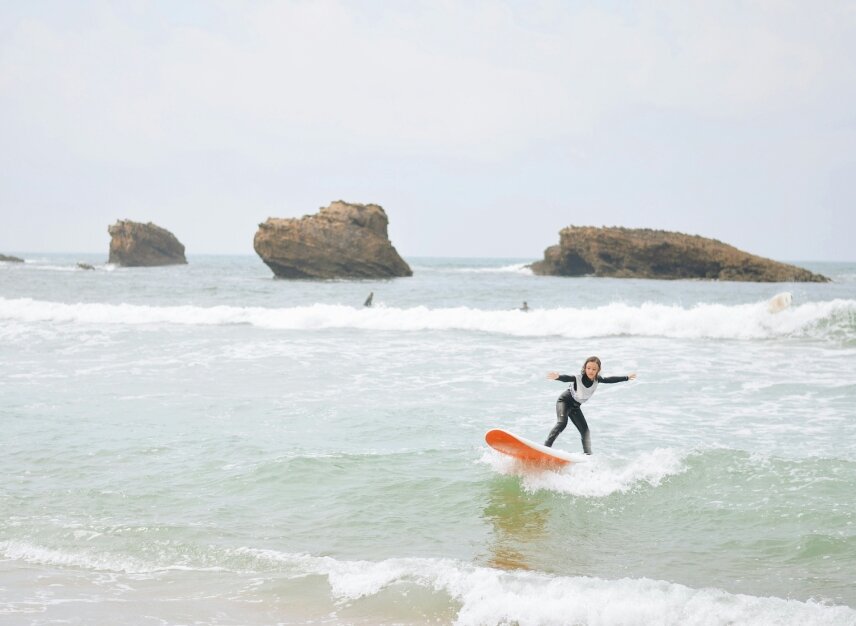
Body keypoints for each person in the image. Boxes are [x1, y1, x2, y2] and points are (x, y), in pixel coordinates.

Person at [544, 356, 636, 454]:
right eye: (588, 368)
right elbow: (567, 378)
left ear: (598, 370)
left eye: (594, 369)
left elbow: (610, 380)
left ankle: (588, 455)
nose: (590, 371)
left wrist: (627, 377)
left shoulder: (597, 380)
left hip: (575, 407)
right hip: (564, 401)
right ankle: (545, 448)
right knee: (562, 423)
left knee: (585, 431)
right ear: (585, 368)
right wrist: (558, 377)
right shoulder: (578, 378)